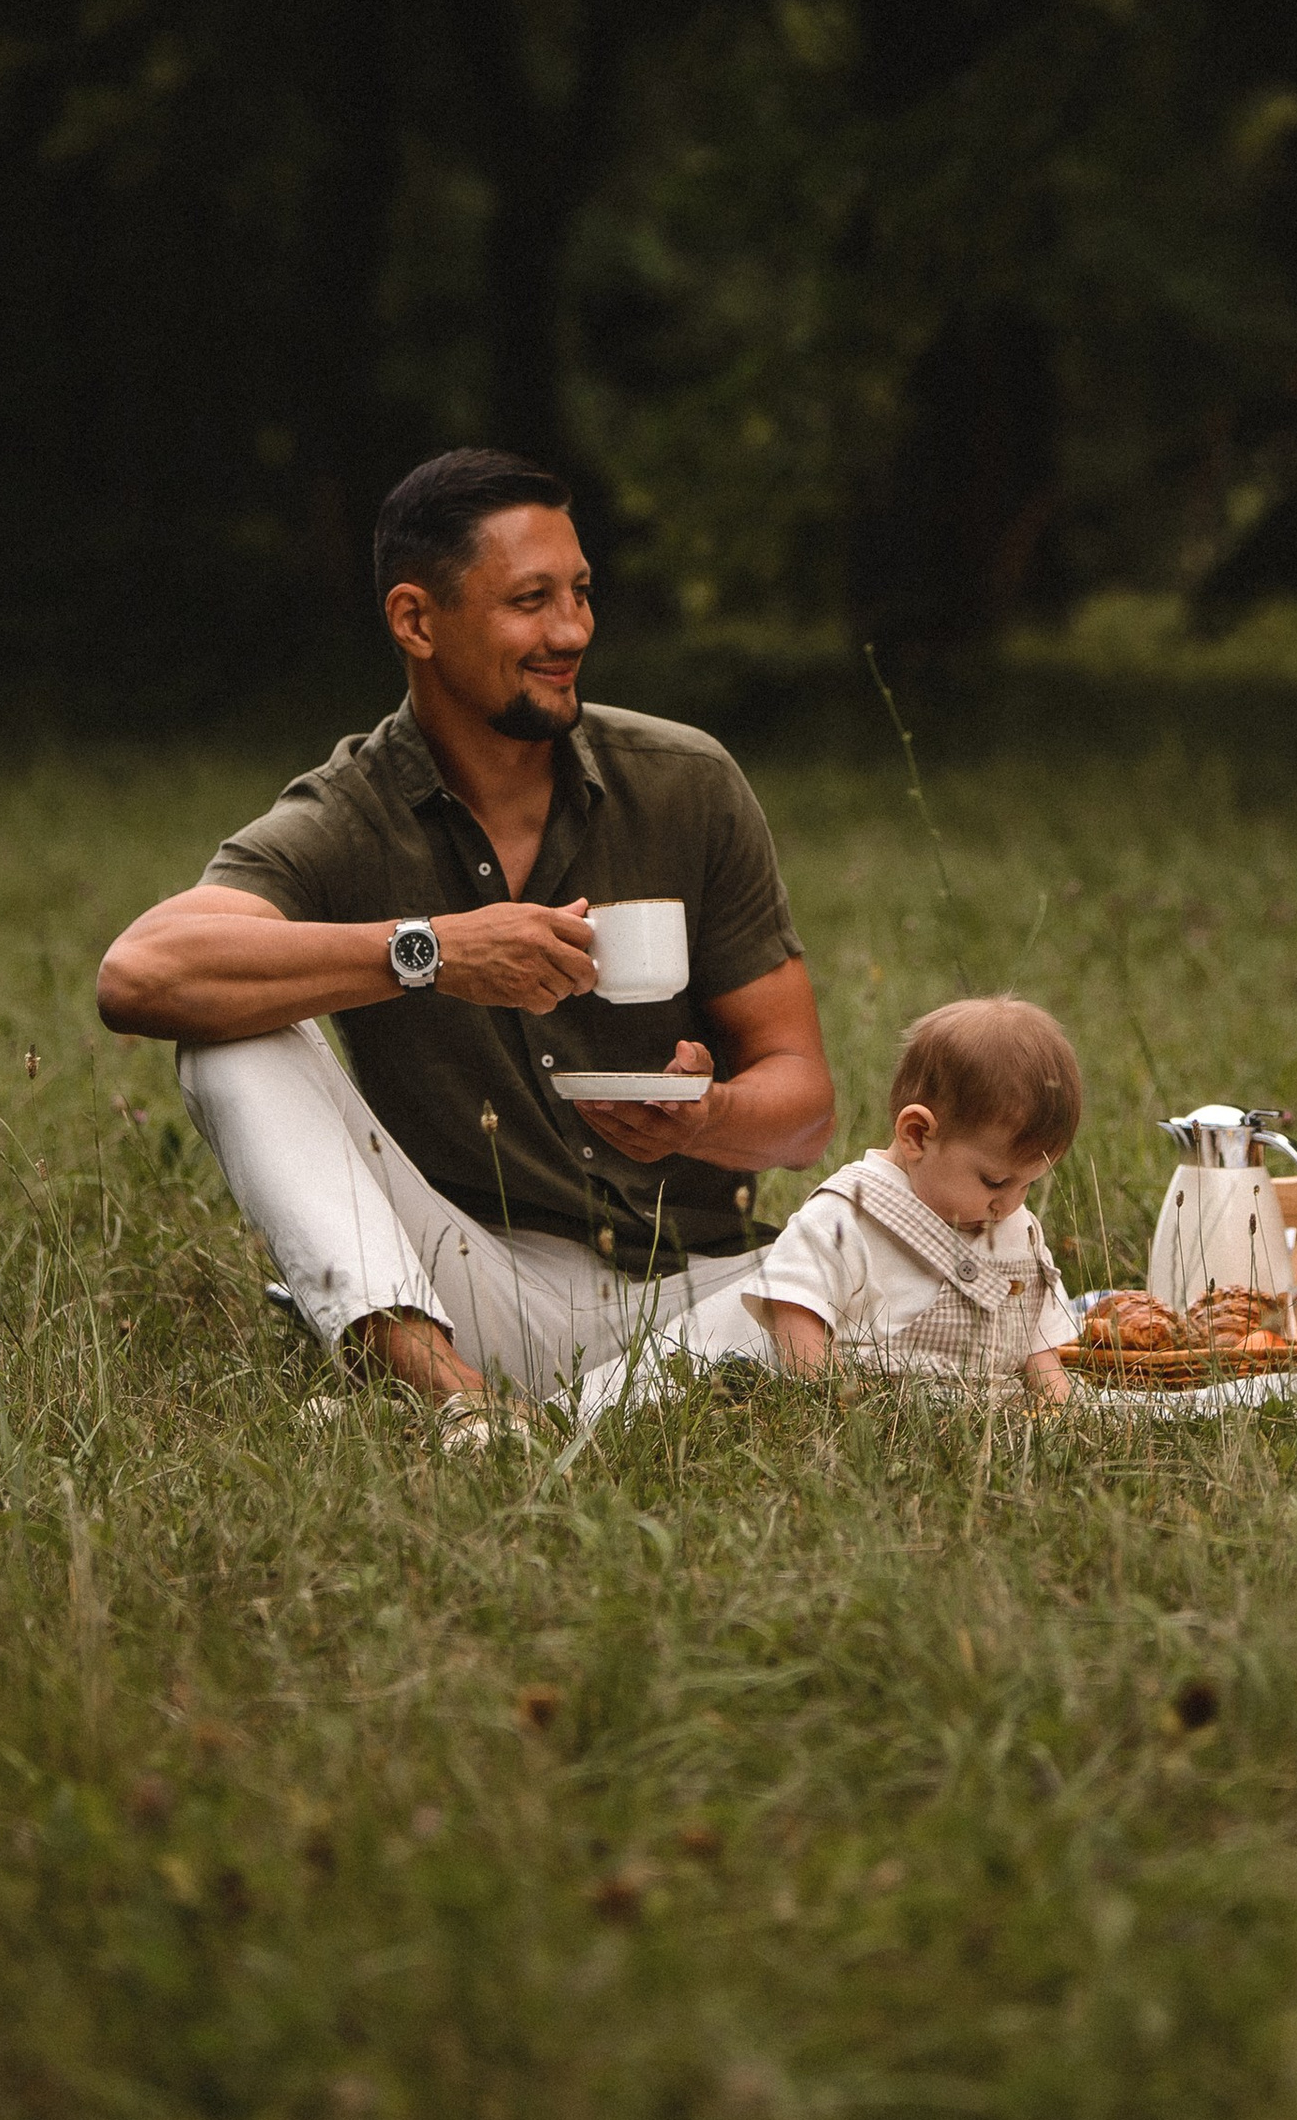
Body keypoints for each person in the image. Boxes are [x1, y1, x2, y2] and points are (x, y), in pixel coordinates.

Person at [96, 449, 834, 1426]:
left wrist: (707, 1118)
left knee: (915, 1241)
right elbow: (139, 975)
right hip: (474, 1285)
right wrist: (429, 953)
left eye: (579, 592)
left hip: (704, 1287)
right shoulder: (347, 816)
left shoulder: (685, 782)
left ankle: (585, 1408)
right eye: (530, 600)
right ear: (416, 620)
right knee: (235, 1039)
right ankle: (458, 1403)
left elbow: (807, 1109)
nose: (572, 630)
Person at [625, 996, 1083, 1408]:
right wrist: (838, 1407)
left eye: (1027, 1184)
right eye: (995, 1180)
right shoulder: (850, 1214)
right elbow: (794, 1308)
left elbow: (1035, 1340)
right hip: (877, 1412)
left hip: (977, 1422)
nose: (1009, 1204)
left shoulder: (1011, 1229)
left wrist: (1060, 1411)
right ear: (917, 1135)